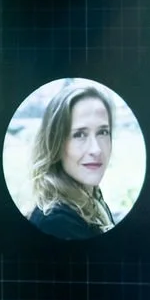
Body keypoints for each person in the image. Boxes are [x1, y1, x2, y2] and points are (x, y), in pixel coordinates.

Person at [27, 83, 116, 240]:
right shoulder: (56, 223)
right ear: (55, 143)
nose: (96, 149)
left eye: (103, 132)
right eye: (79, 134)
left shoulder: (90, 199)